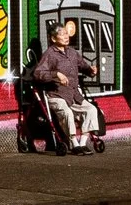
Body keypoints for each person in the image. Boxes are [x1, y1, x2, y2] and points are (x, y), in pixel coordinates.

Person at [27, 17, 98, 152]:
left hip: (73, 95)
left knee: (91, 110)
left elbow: (83, 66)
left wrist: (91, 71)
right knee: (67, 113)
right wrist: (56, 75)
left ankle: (82, 143)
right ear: (53, 39)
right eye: (62, 34)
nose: (66, 36)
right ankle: (74, 144)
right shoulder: (50, 54)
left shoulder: (72, 52)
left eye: (67, 33)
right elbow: (38, 74)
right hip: (56, 95)